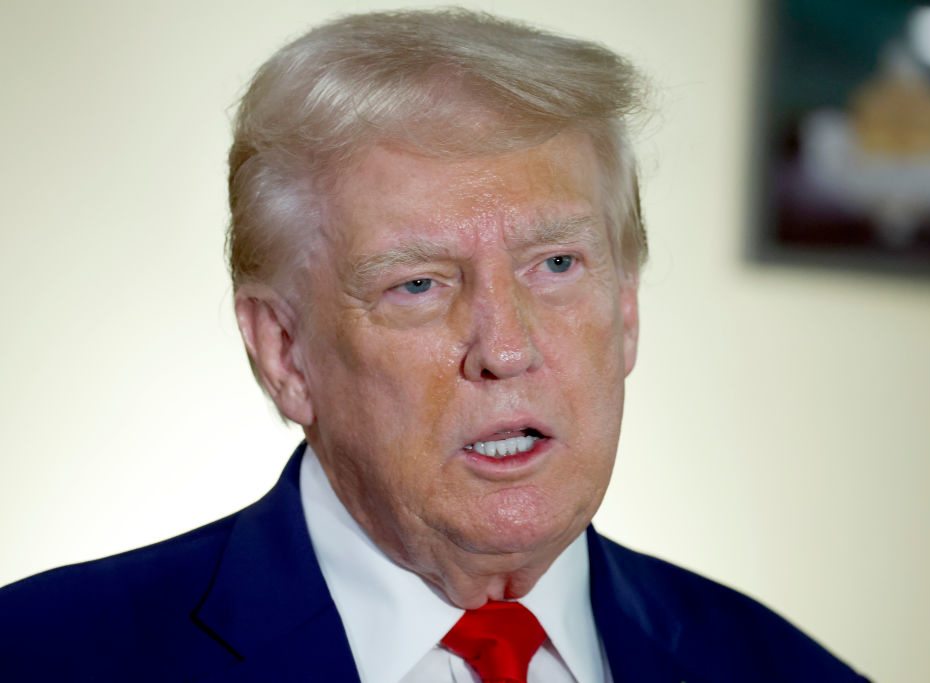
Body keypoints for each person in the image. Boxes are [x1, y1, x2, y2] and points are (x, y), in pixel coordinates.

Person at [0, 9, 869, 682]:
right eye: (418, 284)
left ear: (628, 305)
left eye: (557, 264)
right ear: (284, 351)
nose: (504, 347)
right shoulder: (41, 654)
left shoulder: (788, 669)